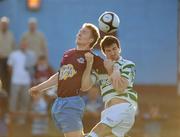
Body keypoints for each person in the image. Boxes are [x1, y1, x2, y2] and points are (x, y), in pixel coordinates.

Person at [29, 23, 107, 137]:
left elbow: (86, 87)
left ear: (90, 40)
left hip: (71, 102)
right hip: (58, 102)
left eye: (84, 32)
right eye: (80, 30)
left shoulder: (92, 58)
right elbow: (59, 76)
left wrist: (90, 64)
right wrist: (39, 88)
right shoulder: (68, 54)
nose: (80, 32)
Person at [82, 35, 138, 137]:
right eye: (108, 50)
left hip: (123, 107)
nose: (112, 53)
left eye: (114, 49)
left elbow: (120, 88)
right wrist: (89, 65)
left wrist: (110, 70)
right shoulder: (100, 68)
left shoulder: (127, 64)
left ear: (119, 48)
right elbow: (85, 86)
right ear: (104, 52)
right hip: (108, 111)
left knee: (96, 132)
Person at [8, 39, 36, 124]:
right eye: (22, 44)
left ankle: (21, 119)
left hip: (26, 82)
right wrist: (14, 76)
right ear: (20, 45)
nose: (24, 46)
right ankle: (11, 118)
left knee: (25, 100)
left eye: (25, 44)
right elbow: (9, 67)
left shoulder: (31, 55)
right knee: (13, 100)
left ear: (27, 45)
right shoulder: (14, 54)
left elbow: (33, 67)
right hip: (15, 81)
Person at [0, 16, 16, 92]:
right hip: (0, 59)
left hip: (9, 60)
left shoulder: (11, 34)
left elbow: (13, 47)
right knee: (1, 77)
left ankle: (6, 94)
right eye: (3, 24)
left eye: (5, 24)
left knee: (9, 78)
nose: (4, 25)